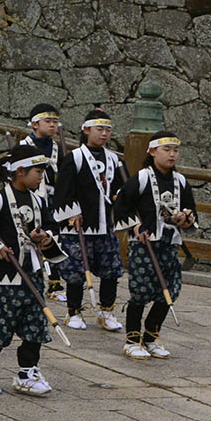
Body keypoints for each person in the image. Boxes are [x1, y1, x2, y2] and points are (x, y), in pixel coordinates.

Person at [0, 143, 60, 395]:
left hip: (32, 272)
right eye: (38, 172)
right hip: (4, 277)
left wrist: (46, 238)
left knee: (34, 326)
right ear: (20, 171)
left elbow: (52, 228)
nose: (41, 177)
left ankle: (27, 372)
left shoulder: (39, 202)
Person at [118, 131, 196, 359]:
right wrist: (135, 227)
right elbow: (122, 205)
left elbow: (191, 210)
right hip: (144, 243)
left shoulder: (180, 181)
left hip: (169, 243)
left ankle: (151, 335)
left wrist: (186, 217)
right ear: (152, 152)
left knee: (169, 290)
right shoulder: (141, 178)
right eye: (166, 150)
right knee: (141, 290)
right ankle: (132, 338)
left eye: (176, 150)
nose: (172, 154)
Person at [51, 110, 126, 332]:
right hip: (78, 225)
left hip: (105, 224)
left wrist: (120, 198)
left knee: (111, 269)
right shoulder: (74, 158)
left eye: (108, 130)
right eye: (99, 129)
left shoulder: (115, 159)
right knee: (76, 271)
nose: (104, 134)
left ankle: (107, 311)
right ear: (86, 130)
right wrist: (71, 213)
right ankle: (73, 311)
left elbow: (123, 188)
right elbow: (62, 191)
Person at [18, 105, 68, 302]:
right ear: (35, 123)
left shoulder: (57, 148)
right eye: (48, 122)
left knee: (51, 235)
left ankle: (55, 282)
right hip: (27, 198)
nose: (53, 125)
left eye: (55, 122)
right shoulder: (24, 145)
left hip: (51, 198)